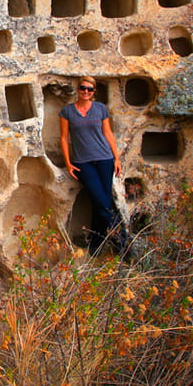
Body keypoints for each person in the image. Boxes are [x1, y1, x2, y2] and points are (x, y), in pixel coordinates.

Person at [59, 76, 128, 255]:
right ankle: (124, 245)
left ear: (94, 92)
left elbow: (108, 133)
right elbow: (64, 138)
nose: (86, 91)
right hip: (83, 162)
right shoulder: (67, 112)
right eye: (83, 88)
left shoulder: (100, 109)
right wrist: (68, 163)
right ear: (78, 89)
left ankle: (96, 246)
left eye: (90, 89)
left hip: (105, 159)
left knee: (101, 202)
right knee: (103, 203)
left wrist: (116, 158)